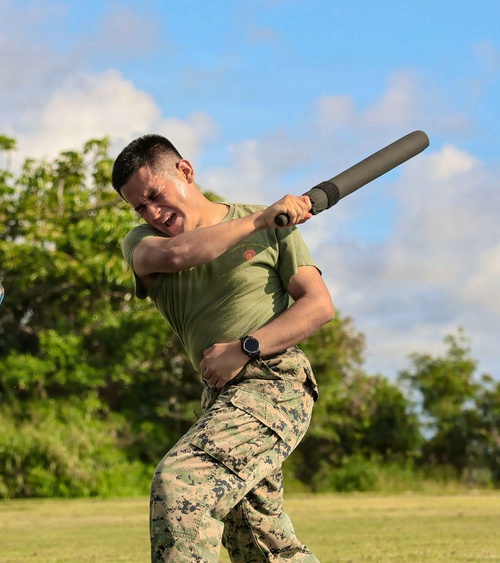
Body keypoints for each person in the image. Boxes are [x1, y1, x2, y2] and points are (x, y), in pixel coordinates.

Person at [111, 134, 335, 562]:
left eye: (155, 196)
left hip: (275, 383)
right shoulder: (142, 244)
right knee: (261, 540)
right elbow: (180, 255)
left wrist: (245, 348)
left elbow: (318, 306)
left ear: (186, 172)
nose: (152, 213)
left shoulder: (271, 223)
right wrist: (260, 222)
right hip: (221, 398)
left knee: (181, 482)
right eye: (139, 206)